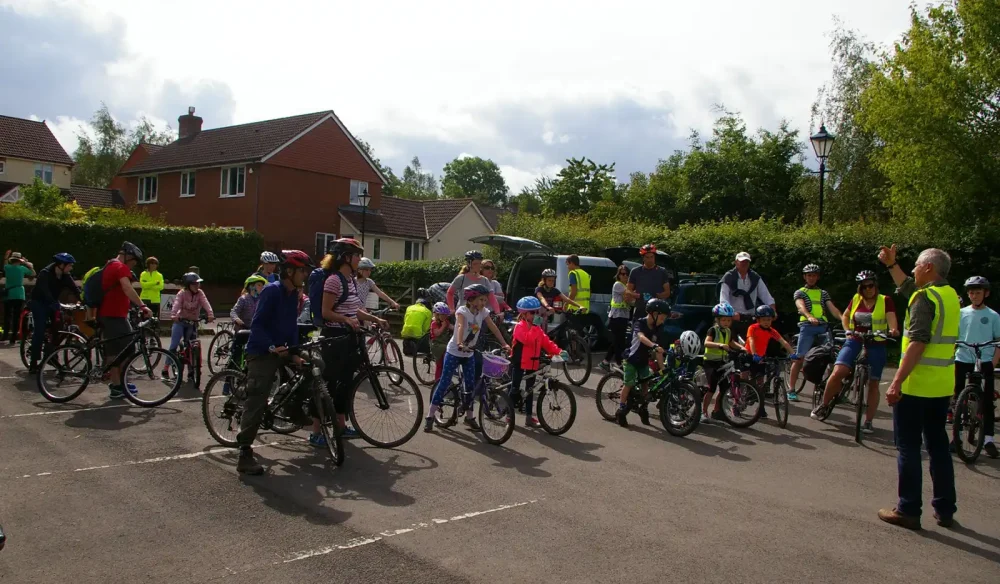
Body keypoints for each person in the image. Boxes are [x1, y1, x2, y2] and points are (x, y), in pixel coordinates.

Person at [876, 244, 959, 530]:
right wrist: (891, 265)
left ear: (928, 268)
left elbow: (918, 342)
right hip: (942, 386)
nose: (912, 269)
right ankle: (945, 509)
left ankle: (908, 509)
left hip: (916, 387)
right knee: (938, 447)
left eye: (916, 265)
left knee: (908, 448)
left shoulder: (925, 298)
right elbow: (908, 287)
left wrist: (896, 382)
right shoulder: (949, 295)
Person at [236, 250, 315, 475]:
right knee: (258, 400)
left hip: (283, 349)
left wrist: (295, 353)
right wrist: (272, 347)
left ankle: (291, 407)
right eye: (302, 271)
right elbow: (258, 326)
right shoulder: (272, 291)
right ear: (289, 271)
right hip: (262, 351)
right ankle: (244, 454)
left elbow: (291, 327)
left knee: (313, 367)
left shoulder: (294, 294)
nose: (305, 275)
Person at [810, 271, 899, 432]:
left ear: (875, 285)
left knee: (874, 382)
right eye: (864, 287)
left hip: (876, 342)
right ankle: (823, 405)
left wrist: (893, 329)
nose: (868, 289)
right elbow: (845, 316)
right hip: (856, 339)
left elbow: (891, 318)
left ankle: (869, 421)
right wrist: (848, 330)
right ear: (860, 289)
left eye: (871, 285)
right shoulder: (856, 299)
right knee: (839, 371)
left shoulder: (885, 300)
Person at [320, 239, 389, 442]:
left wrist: (374, 318)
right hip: (335, 339)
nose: (360, 259)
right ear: (346, 257)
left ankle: (341, 425)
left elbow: (353, 309)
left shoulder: (349, 279)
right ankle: (317, 431)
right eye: (357, 255)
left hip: (350, 337)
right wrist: (345, 320)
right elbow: (326, 312)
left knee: (346, 384)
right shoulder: (334, 280)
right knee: (330, 383)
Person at [424, 283, 509, 433]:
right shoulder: (462, 310)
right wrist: (459, 343)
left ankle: (469, 417)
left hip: (469, 353)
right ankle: (430, 416)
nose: (483, 303)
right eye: (481, 300)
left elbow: (493, 327)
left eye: (485, 300)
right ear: (470, 300)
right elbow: (460, 326)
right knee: (444, 382)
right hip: (454, 352)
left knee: (470, 386)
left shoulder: (483, 312)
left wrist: (504, 344)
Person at [98, 242, 153, 398]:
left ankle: (119, 382)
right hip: (113, 316)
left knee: (120, 350)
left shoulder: (110, 265)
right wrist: (143, 306)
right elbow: (127, 288)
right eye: (134, 260)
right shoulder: (120, 267)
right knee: (123, 350)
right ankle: (117, 384)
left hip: (112, 315)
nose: (134, 264)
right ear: (127, 256)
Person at [953, 276, 1000, 458]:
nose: (974, 296)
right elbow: (954, 336)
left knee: (987, 400)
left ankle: (988, 438)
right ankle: (956, 436)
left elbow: (998, 341)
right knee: (958, 398)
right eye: (971, 292)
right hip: (963, 358)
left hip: (985, 359)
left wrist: (992, 362)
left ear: (985, 294)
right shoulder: (961, 313)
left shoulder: (993, 316)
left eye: (978, 292)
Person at [508, 296, 567, 428]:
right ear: (524, 314)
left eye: (537, 312)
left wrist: (558, 351)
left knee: (530, 391)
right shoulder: (520, 327)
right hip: (519, 363)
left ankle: (529, 417)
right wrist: (534, 327)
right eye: (533, 313)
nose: (536, 315)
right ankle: (508, 415)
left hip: (533, 362)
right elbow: (527, 340)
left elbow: (547, 343)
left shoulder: (537, 329)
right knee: (515, 388)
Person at [788, 264, 843, 400]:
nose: (811, 278)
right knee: (799, 357)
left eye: (814, 275)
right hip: (807, 326)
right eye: (809, 275)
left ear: (817, 277)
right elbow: (800, 306)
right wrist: (809, 316)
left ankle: (833, 389)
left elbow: (832, 308)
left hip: (823, 326)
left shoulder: (823, 293)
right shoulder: (800, 292)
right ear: (805, 277)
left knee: (832, 357)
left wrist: (843, 319)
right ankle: (791, 389)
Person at [616, 298, 671, 427]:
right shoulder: (639, 323)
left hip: (644, 361)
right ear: (655, 314)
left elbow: (659, 349)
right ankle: (622, 408)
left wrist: (662, 368)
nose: (663, 321)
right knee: (629, 383)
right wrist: (653, 345)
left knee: (646, 385)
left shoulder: (658, 327)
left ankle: (643, 407)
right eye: (663, 317)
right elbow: (641, 337)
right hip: (631, 359)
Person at [27, 253, 80, 373]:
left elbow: (75, 289)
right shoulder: (45, 274)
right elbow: (44, 290)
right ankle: (34, 363)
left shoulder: (65, 275)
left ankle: (51, 356)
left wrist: (84, 300)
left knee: (58, 329)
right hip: (39, 302)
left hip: (53, 302)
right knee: (39, 332)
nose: (71, 268)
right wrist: (53, 302)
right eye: (70, 266)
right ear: (61, 265)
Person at [745, 305, 798, 419]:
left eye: (769, 320)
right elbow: (751, 340)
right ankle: (745, 393)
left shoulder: (771, 331)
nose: (766, 322)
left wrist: (793, 353)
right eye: (764, 320)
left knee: (761, 382)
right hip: (751, 355)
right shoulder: (753, 328)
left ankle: (761, 408)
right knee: (751, 379)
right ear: (758, 320)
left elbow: (783, 341)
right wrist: (754, 354)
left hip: (761, 357)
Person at [163, 272, 215, 380]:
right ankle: (166, 367)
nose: (197, 286)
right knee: (174, 344)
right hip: (180, 322)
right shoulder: (182, 293)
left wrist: (210, 314)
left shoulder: (200, 293)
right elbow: (176, 304)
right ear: (188, 285)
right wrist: (173, 315)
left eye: (198, 284)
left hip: (193, 322)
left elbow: (206, 303)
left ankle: (192, 370)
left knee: (193, 345)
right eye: (194, 284)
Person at [702, 302, 744, 423]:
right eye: (724, 320)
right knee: (711, 388)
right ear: (717, 320)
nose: (726, 322)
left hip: (722, 362)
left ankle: (717, 411)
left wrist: (742, 347)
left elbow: (731, 342)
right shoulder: (713, 330)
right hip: (710, 362)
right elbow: (706, 343)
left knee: (724, 388)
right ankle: (703, 412)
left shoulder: (728, 331)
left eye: (728, 320)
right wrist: (719, 345)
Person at [719, 251, 776, 341]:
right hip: (733, 318)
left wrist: (773, 310)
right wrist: (731, 313)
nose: (744, 264)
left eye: (746, 262)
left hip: (750, 318)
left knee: (751, 345)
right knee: (731, 345)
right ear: (736, 262)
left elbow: (766, 296)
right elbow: (724, 299)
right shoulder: (729, 277)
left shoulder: (755, 277)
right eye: (742, 261)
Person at [225, 275, 267, 387]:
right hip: (242, 330)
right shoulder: (243, 299)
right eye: (259, 285)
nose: (261, 287)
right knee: (236, 355)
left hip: (254, 331)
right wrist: (237, 319)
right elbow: (233, 311)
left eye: (262, 286)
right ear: (251, 287)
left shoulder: (261, 300)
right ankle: (227, 382)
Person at [599, 264, 637, 371]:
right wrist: (637, 295)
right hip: (616, 317)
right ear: (619, 275)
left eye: (626, 274)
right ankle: (619, 363)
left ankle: (605, 362)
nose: (624, 276)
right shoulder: (618, 285)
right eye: (622, 274)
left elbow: (630, 300)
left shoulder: (627, 286)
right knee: (618, 341)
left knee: (618, 341)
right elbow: (630, 296)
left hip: (623, 316)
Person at [627, 244, 671, 319]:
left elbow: (667, 292)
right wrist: (637, 295)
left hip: (656, 311)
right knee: (637, 330)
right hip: (640, 309)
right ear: (643, 258)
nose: (650, 259)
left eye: (652, 257)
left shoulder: (662, 271)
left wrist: (657, 296)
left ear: (654, 257)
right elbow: (628, 290)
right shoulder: (635, 271)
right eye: (647, 257)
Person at [2, 251, 35, 345]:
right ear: (19, 260)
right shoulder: (22, 268)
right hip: (19, 294)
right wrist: (27, 263)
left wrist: (5, 257)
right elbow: (33, 274)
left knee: (7, 315)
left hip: (9, 294)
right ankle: (13, 338)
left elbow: (4, 264)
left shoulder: (7, 267)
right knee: (17, 317)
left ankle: (5, 335)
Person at [430, 302, 452, 382]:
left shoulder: (446, 322)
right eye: (442, 315)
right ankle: (437, 381)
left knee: (444, 364)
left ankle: (444, 379)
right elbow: (437, 333)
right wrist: (443, 326)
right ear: (436, 315)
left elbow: (452, 328)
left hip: (445, 344)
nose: (444, 317)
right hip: (437, 345)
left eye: (445, 315)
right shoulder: (434, 323)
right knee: (439, 365)